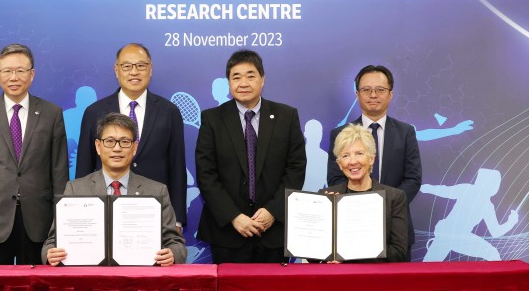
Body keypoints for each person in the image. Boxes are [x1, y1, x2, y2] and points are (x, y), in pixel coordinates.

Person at [0, 43, 69, 265]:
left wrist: (62, 224)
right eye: (7, 71)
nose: (14, 77)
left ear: (32, 74)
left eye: (20, 70)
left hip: (39, 221)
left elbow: (59, 173)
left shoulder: (51, 113)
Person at [195, 49, 306, 263]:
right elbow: (206, 174)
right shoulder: (212, 119)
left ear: (262, 79)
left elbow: (296, 169)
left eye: (250, 76)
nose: (243, 83)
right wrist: (233, 217)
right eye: (236, 77)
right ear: (228, 83)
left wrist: (273, 211)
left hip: (273, 232)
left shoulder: (286, 116)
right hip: (227, 233)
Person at [43, 113, 186, 266]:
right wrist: (50, 253)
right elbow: (51, 242)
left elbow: (175, 243)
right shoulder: (75, 189)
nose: (117, 148)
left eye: (124, 142)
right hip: (91, 279)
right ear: (98, 146)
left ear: (134, 147)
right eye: (110, 141)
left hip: (139, 278)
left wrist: (172, 254)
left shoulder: (157, 191)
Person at [75, 43, 187, 230]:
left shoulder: (169, 112)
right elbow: (84, 167)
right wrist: (82, 215)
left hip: (155, 211)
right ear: (116, 70)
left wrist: (177, 220)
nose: (134, 72)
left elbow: (177, 168)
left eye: (141, 66)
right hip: (103, 210)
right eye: (127, 66)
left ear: (150, 69)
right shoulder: (94, 112)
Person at [327, 65, 421, 257]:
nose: (373, 95)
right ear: (357, 94)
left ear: (391, 94)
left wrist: (384, 209)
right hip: (352, 228)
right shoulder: (340, 134)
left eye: (380, 90)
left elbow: (412, 179)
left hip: (396, 230)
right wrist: (361, 210)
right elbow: (336, 179)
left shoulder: (406, 132)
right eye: (366, 90)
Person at [321, 124, 408, 262]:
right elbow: (313, 255)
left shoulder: (394, 197)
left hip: (376, 279)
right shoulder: (326, 197)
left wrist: (349, 256)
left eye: (359, 154)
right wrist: (327, 216)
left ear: (371, 158)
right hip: (338, 280)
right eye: (345, 156)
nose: (353, 161)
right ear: (339, 163)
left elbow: (399, 252)